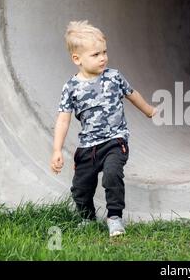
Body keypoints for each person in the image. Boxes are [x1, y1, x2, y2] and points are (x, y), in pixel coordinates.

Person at [50, 20, 157, 237]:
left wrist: (149, 110)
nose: (103, 58)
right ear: (77, 59)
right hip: (88, 146)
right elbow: (63, 119)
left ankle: (115, 218)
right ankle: (87, 218)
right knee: (80, 188)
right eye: (96, 54)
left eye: (104, 52)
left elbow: (131, 93)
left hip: (115, 141)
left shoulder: (114, 76)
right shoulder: (71, 87)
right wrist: (57, 150)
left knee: (112, 175)